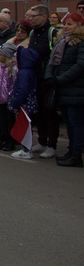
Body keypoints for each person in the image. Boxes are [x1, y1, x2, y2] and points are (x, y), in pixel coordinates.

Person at [45, 12, 84, 167]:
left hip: (75, 89)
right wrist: (49, 76)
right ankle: (71, 150)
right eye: (65, 24)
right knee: (69, 121)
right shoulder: (61, 41)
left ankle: (76, 153)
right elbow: (52, 61)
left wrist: (60, 79)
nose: (66, 27)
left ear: (79, 26)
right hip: (63, 88)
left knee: (76, 122)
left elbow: (80, 65)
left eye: (70, 24)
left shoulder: (81, 42)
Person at [27, 4, 59, 158]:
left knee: (49, 112)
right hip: (35, 76)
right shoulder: (33, 33)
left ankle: (52, 145)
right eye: (30, 16)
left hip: (47, 78)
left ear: (44, 17)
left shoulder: (52, 33)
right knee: (38, 111)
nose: (31, 19)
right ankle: (42, 141)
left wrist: (50, 75)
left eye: (34, 16)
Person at [0, 43, 18, 152]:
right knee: (2, 120)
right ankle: (3, 137)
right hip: (0, 98)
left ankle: (11, 140)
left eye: (0, 55)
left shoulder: (13, 69)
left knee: (10, 120)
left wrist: (11, 96)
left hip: (9, 99)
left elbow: (15, 84)